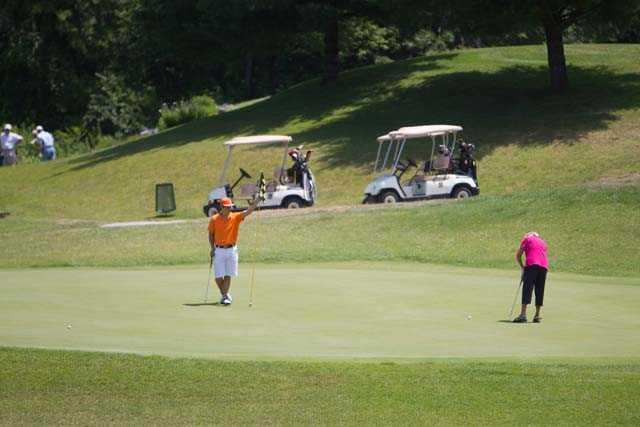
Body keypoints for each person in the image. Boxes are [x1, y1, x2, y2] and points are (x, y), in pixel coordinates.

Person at [207, 196, 259, 305]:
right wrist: (212, 247)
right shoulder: (214, 219)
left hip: (232, 250)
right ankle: (225, 294)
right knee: (218, 277)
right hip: (219, 250)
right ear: (221, 207)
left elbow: (249, 211)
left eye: (230, 207)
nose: (229, 209)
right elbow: (211, 234)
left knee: (228, 274)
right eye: (227, 207)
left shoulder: (235, 217)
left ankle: (225, 297)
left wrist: (257, 201)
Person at [513, 231, 549, 323]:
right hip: (544, 267)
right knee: (539, 290)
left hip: (532, 264)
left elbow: (518, 255)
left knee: (527, 289)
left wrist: (522, 268)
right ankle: (537, 315)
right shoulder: (543, 242)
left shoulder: (527, 239)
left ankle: (523, 315)